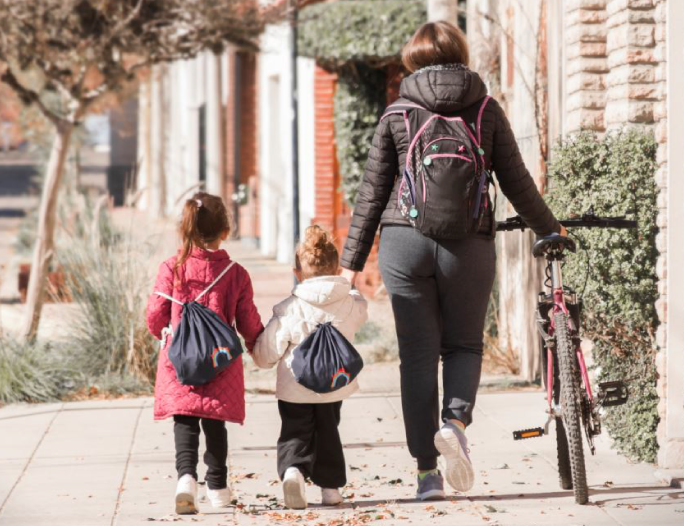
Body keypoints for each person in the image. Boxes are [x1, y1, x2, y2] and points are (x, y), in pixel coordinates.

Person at [339, 21, 564, 501]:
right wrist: (549, 227)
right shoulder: (485, 109)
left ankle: (427, 475)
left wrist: (349, 262)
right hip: (469, 243)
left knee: (417, 359)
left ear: (413, 59)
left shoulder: (397, 113)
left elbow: (372, 193)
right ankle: (455, 424)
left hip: (404, 241)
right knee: (463, 346)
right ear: (460, 55)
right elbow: (517, 182)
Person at [145, 192, 264, 515]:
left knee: (184, 420)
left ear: (185, 229)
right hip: (219, 361)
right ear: (225, 230)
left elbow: (155, 313)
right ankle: (218, 487)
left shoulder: (171, 268)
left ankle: (186, 479)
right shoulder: (236, 273)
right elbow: (248, 320)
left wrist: (162, 334)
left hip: (179, 358)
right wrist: (260, 347)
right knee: (215, 423)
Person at [253, 225, 369, 510]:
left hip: (295, 386)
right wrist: (350, 288)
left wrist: (259, 358)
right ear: (335, 268)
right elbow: (362, 313)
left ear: (298, 272)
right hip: (333, 384)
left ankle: (294, 470)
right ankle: (330, 490)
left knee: (295, 430)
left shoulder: (289, 308)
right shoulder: (351, 304)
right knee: (328, 431)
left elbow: (268, 352)